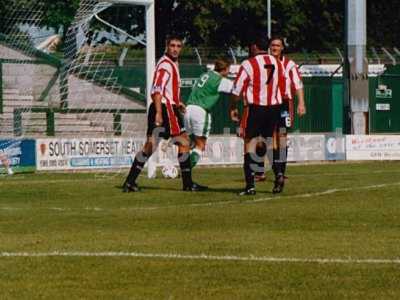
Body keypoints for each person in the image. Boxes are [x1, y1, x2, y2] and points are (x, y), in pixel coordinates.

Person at [123, 35, 207, 192]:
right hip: (164, 108)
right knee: (184, 142)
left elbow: (167, 90)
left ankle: (129, 181)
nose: (175, 49)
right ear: (167, 46)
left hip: (166, 106)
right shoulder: (165, 65)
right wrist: (159, 113)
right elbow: (157, 90)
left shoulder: (171, 63)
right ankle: (188, 184)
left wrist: (178, 102)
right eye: (172, 45)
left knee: (150, 146)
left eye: (178, 46)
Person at [230, 33, 287, 196]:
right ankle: (279, 174)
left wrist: (233, 106)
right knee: (270, 144)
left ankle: (250, 186)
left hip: (256, 108)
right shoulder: (277, 62)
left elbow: (237, 89)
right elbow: (283, 87)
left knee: (249, 145)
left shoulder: (249, 64)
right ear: (267, 47)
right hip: (274, 108)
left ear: (254, 47)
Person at [254, 36, 306, 192]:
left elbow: (297, 84)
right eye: (273, 45)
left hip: (284, 103)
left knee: (281, 136)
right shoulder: (266, 62)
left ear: (283, 48)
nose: (275, 48)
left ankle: (281, 171)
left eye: (278, 45)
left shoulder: (289, 64)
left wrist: (301, 102)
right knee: (265, 138)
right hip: (267, 103)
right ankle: (267, 170)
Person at [184, 58, 233, 168]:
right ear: (225, 69)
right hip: (200, 110)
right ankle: (184, 172)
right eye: (228, 69)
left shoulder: (204, 75)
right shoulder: (219, 80)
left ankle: (184, 172)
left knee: (191, 144)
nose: (229, 72)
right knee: (200, 145)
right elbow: (236, 89)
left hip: (188, 109)